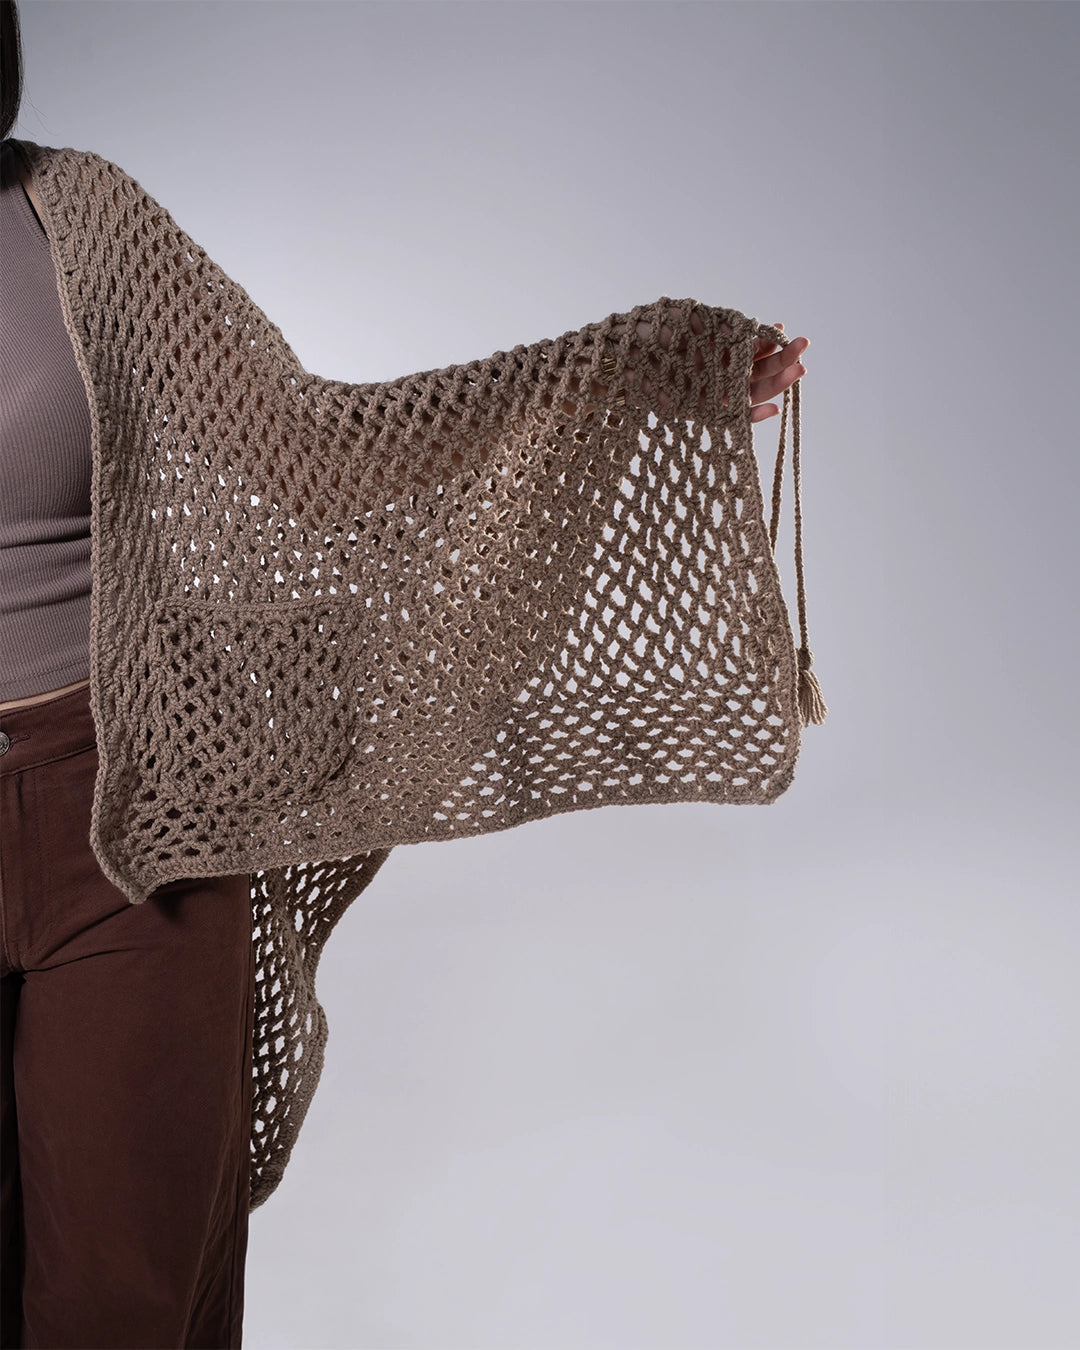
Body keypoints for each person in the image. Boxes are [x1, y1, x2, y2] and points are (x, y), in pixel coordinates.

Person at [0, 1, 811, 1344]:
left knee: (122, 1298)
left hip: (134, 820)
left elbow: (317, 450)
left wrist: (628, 374)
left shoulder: (74, 216)